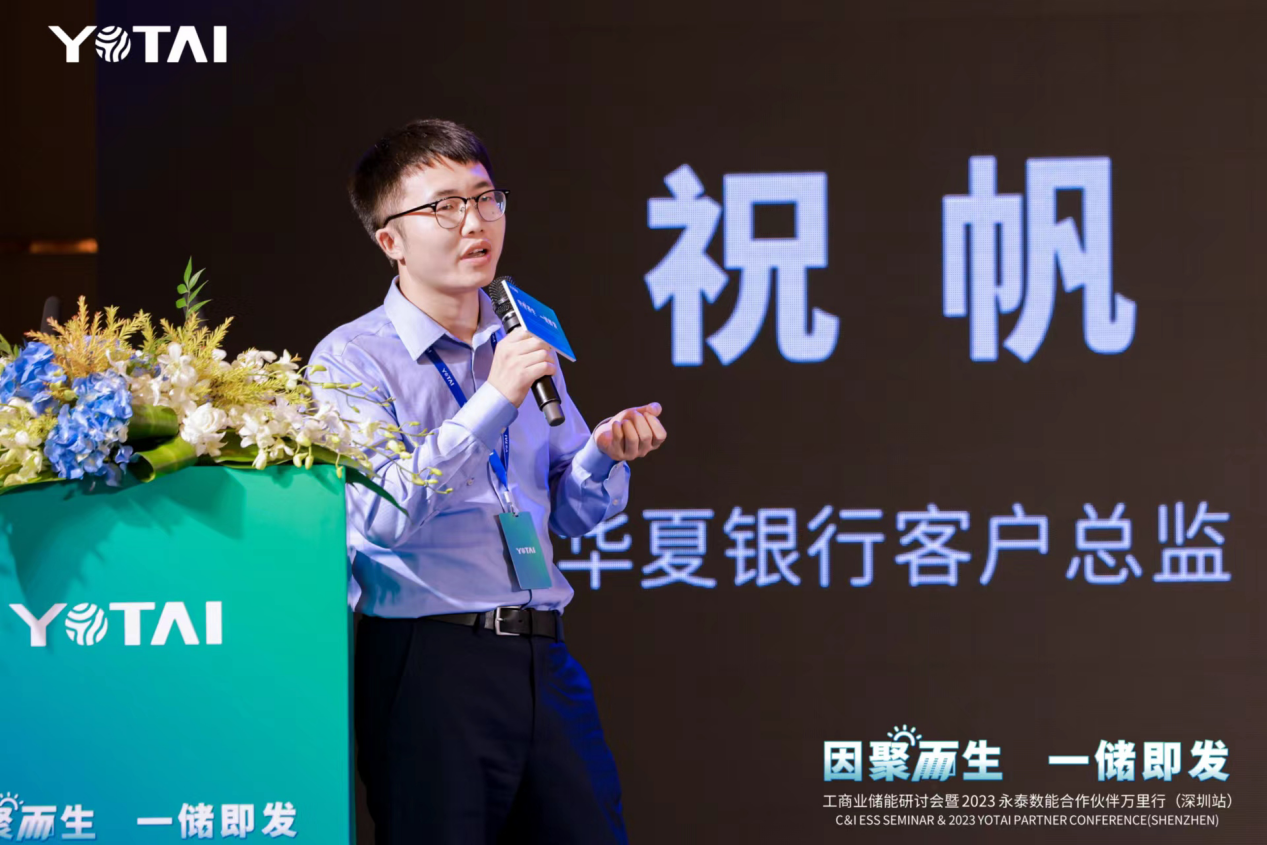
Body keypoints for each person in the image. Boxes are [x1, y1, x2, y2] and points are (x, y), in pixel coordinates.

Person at [309, 118, 665, 845]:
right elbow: (380, 517)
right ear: (390, 240)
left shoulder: (520, 336)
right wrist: (493, 401)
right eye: (444, 207)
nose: (475, 222)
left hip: (543, 656)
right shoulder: (350, 359)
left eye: (484, 198)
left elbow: (569, 513)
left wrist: (603, 454)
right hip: (430, 662)